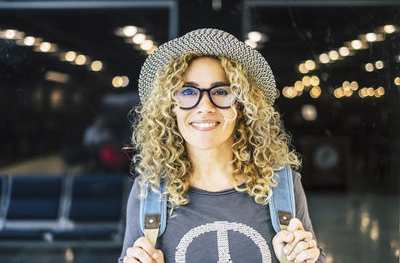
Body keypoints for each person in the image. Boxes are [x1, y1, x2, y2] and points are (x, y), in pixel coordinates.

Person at [119, 28, 326, 263]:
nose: (205, 106)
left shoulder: (281, 186)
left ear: (242, 106)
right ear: (170, 106)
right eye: (187, 91)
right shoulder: (149, 192)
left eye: (221, 91)